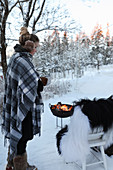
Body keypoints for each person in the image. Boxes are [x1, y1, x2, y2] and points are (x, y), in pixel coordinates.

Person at [1, 27, 48, 170]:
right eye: (36, 47)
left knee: (19, 135)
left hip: (16, 103)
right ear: (29, 47)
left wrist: (36, 81)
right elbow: (34, 86)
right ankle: (20, 166)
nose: (36, 50)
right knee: (23, 136)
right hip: (22, 104)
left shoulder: (16, 57)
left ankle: (12, 164)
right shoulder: (23, 61)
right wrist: (42, 82)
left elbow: (25, 82)